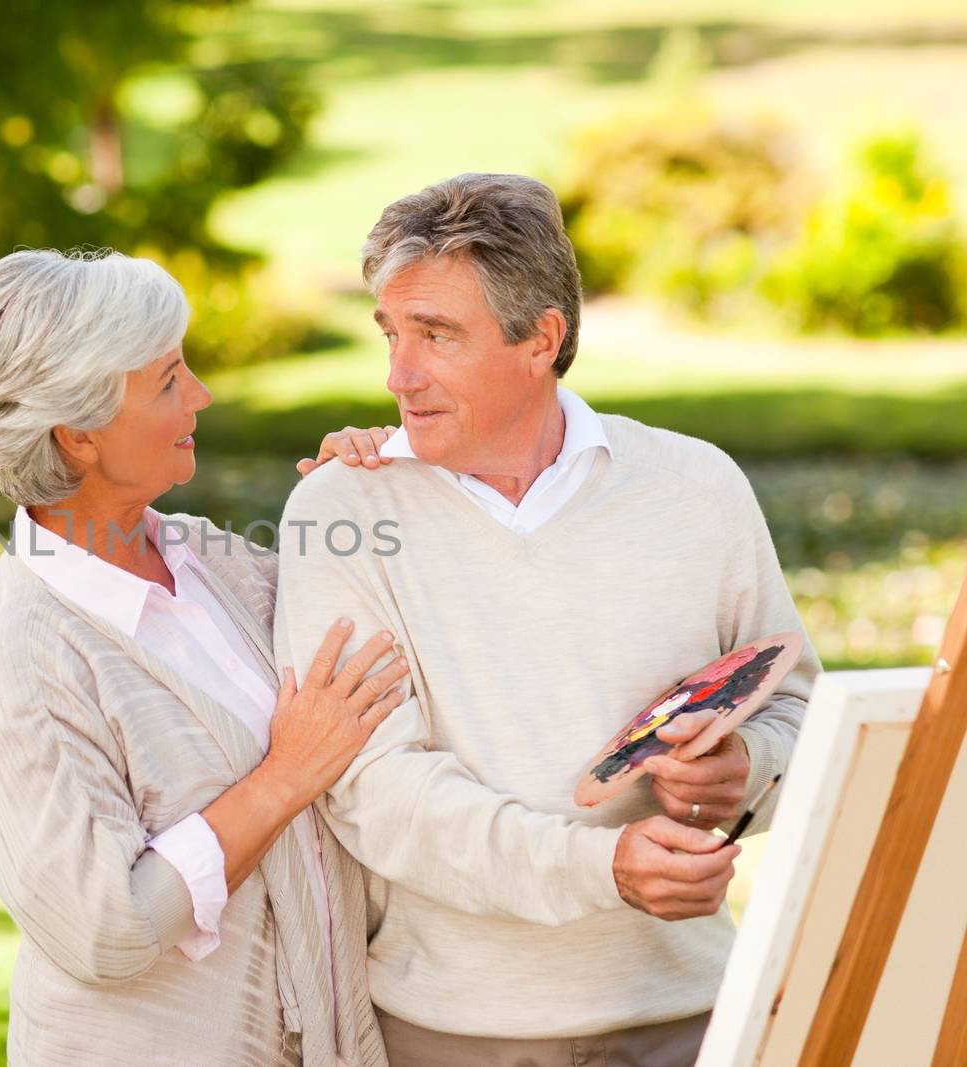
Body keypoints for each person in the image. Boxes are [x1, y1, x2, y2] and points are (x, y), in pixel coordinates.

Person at [274, 173, 822, 1067]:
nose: (397, 375)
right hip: (461, 1034)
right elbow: (377, 791)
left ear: (541, 338)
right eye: (392, 333)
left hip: (694, 1015)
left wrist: (741, 771)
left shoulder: (698, 487)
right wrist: (600, 868)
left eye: (436, 335)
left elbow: (796, 714)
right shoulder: (345, 512)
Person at [0, 248, 409, 1066]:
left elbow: (376, 634)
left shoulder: (209, 559)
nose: (199, 394)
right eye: (167, 382)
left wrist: (363, 485)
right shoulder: (25, 653)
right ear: (77, 434)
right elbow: (105, 927)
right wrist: (283, 776)